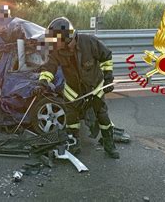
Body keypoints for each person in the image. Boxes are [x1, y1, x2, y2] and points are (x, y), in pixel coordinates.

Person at [35, 17, 119, 159]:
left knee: (102, 116)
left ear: (67, 38)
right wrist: (43, 80)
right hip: (73, 91)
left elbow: (106, 56)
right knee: (72, 118)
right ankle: (74, 143)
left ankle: (109, 144)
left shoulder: (89, 42)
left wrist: (108, 77)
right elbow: (49, 67)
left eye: (56, 40)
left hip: (94, 88)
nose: (54, 44)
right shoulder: (57, 51)